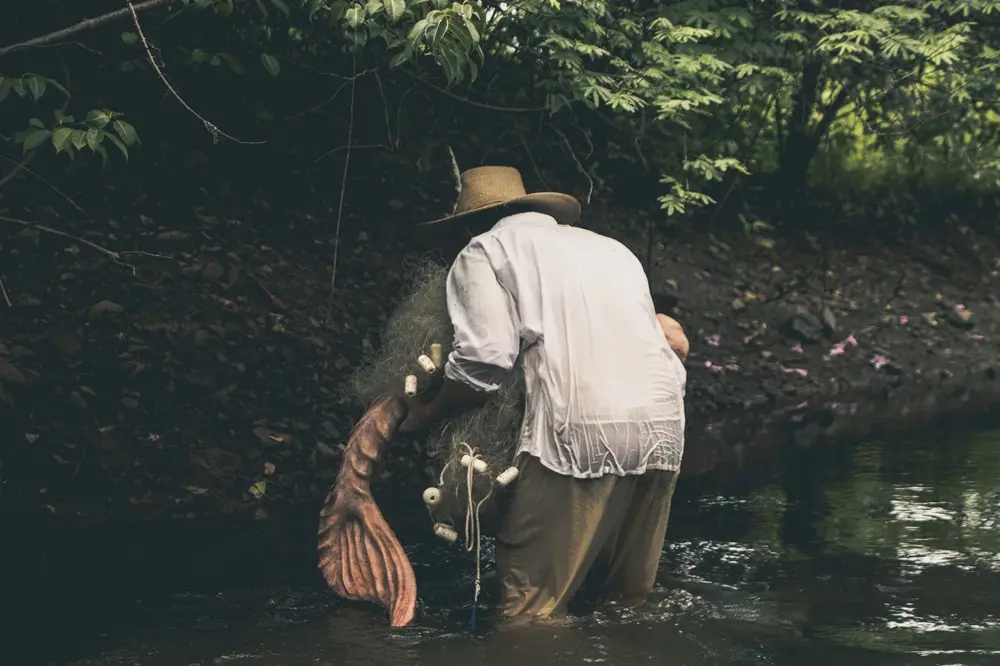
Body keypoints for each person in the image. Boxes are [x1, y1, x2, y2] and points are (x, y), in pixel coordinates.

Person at [400, 166, 689, 621]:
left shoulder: (485, 249)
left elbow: (484, 358)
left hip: (579, 435)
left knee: (531, 609)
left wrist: (430, 411)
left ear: (469, 226)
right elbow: (668, 339)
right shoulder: (611, 249)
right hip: (664, 430)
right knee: (624, 604)